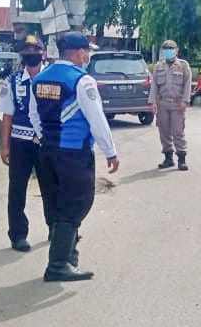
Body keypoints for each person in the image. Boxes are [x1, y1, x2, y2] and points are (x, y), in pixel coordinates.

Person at [29, 31, 119, 281]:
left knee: (57, 204)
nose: (88, 55)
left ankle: (69, 257)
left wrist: (48, 137)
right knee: (77, 203)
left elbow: (33, 115)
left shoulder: (40, 78)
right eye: (87, 51)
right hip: (73, 154)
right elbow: (97, 119)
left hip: (47, 151)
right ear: (79, 52)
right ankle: (58, 265)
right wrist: (110, 151)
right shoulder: (82, 80)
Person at [0, 35, 49, 252]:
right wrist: (5, 146)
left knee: (51, 187)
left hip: (46, 143)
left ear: (43, 52)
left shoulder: (52, 77)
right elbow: (7, 116)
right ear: (22, 54)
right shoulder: (12, 80)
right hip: (20, 143)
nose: (31, 52)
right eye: (27, 49)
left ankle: (58, 228)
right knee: (17, 189)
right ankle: (18, 234)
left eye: (35, 48)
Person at [148, 40, 192, 171]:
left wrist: (185, 100)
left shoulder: (183, 66)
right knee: (164, 131)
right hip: (162, 104)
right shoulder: (158, 66)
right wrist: (152, 102)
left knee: (178, 131)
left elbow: (188, 84)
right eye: (166, 49)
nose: (168, 51)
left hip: (177, 104)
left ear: (177, 50)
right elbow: (154, 85)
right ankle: (168, 158)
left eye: (171, 48)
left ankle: (182, 159)